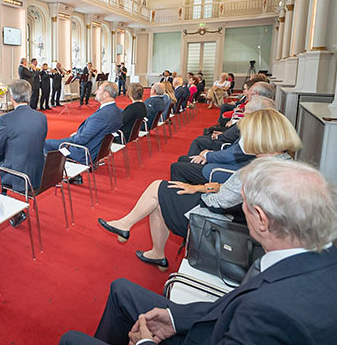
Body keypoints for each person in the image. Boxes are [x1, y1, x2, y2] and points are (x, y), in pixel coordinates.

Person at [62, 157, 337, 345]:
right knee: (121, 290)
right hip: (217, 335)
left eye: (244, 203)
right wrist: (176, 318)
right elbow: (233, 306)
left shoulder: (274, 314)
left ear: (260, 218)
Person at [97, 109, 301, 271]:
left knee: (158, 189)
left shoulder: (257, 171)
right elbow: (230, 192)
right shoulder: (283, 162)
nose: (242, 140)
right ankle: (155, 252)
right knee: (162, 198)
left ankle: (127, 225)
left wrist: (199, 192)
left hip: (220, 225)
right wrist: (197, 187)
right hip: (233, 219)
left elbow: (219, 202)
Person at [0, 80, 48, 227]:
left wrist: (3, 160)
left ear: (11, 97)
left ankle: (12, 211)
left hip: (18, 174)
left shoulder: (6, 119)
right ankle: (9, 207)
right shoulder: (41, 117)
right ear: (30, 95)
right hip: (39, 172)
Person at [44, 82, 123, 177]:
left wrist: (75, 136)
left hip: (85, 152)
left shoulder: (101, 116)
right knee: (60, 142)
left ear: (106, 94)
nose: (96, 91)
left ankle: (54, 176)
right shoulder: (118, 112)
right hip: (99, 150)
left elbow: (81, 140)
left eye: (99, 89)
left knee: (47, 143)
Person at [186, 95, 275, 157]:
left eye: (246, 113)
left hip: (225, 157)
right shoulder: (265, 128)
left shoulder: (253, 129)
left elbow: (234, 153)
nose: (244, 114)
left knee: (199, 140)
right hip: (228, 147)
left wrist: (207, 155)